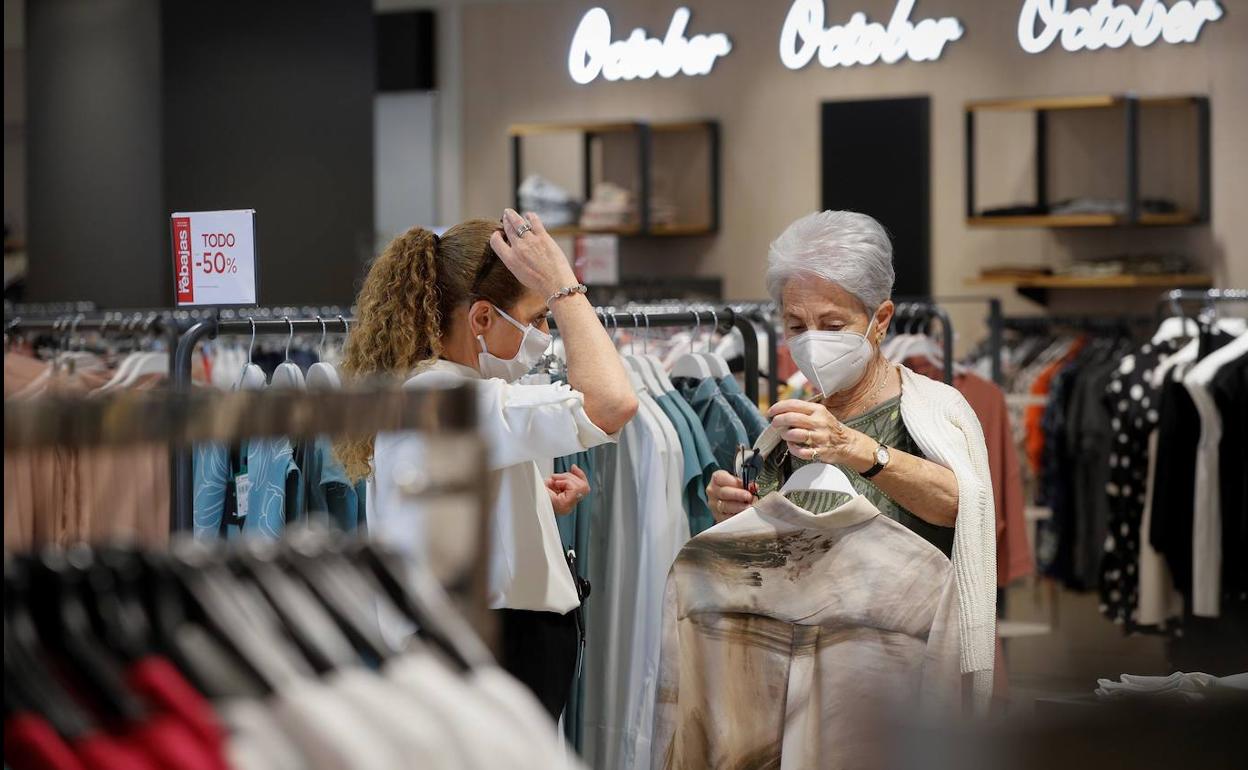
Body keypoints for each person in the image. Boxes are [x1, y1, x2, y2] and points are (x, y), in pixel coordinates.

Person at [336, 210, 638, 719]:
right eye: (537, 318)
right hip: (490, 651)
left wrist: (528, 505)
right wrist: (564, 286)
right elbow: (612, 402)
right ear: (481, 319)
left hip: (490, 647)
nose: (544, 334)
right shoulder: (447, 399)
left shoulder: (447, 393)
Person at [705, 210, 998, 706]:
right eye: (795, 324)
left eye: (833, 324)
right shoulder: (785, 430)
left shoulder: (934, 409)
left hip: (904, 676)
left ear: (880, 320)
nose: (812, 340)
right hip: (800, 674)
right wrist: (735, 514)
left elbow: (961, 506)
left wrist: (856, 448)